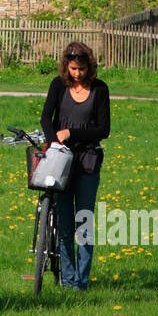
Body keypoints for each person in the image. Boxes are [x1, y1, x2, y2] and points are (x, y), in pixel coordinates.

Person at [39, 41, 110, 291]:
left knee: (84, 221)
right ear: (66, 67)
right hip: (61, 160)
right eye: (72, 69)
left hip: (88, 162)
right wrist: (53, 142)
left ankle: (82, 281)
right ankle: (68, 281)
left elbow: (104, 129)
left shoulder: (100, 89)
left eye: (81, 69)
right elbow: (46, 118)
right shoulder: (58, 85)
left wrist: (72, 133)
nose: (76, 74)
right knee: (65, 223)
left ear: (88, 67)